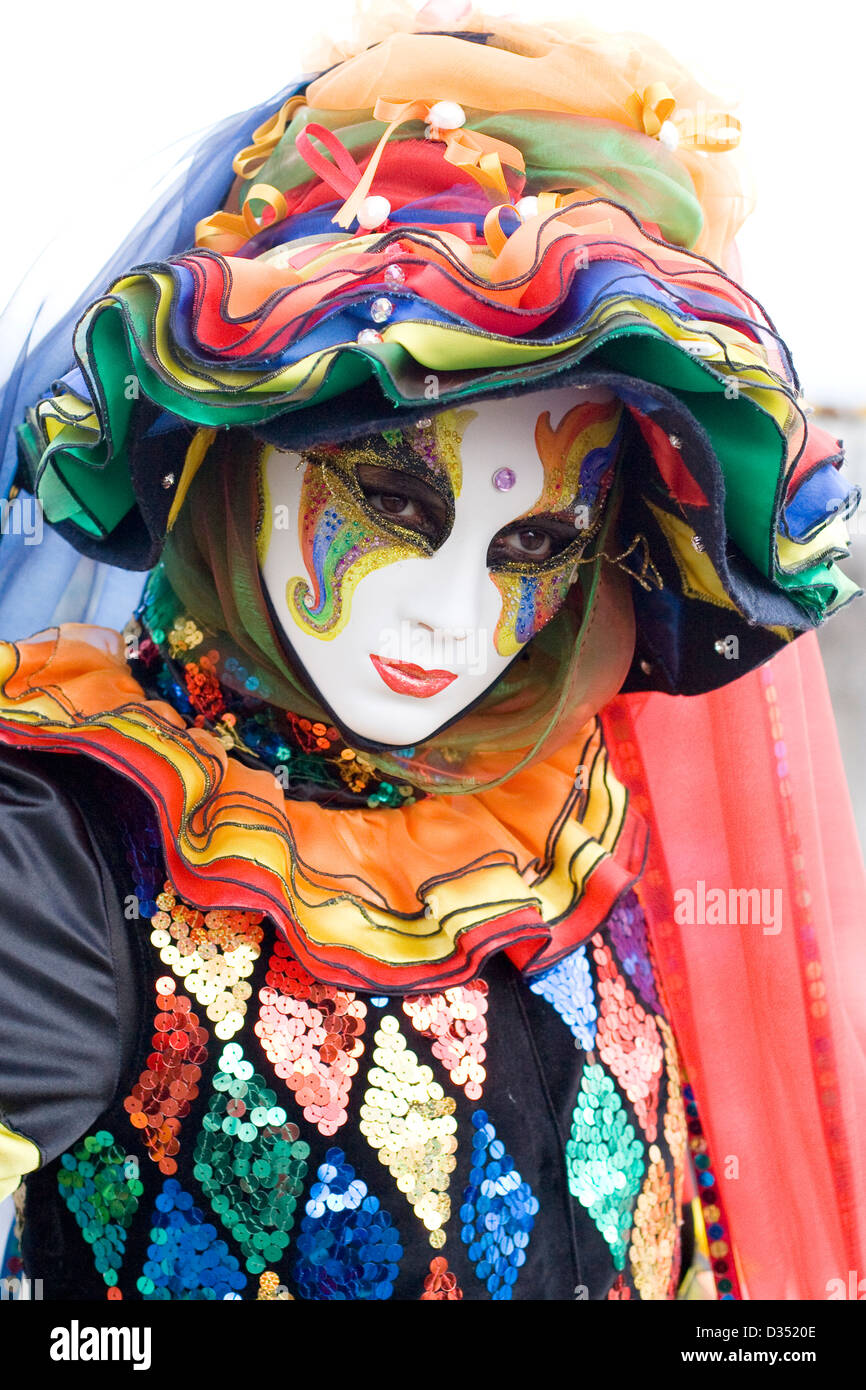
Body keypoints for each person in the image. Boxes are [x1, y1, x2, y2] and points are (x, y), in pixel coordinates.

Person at [0, 4, 863, 1302]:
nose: (450, 619)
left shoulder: (578, 806)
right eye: (393, 506)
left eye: (533, 546)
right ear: (236, 455)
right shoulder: (65, 853)